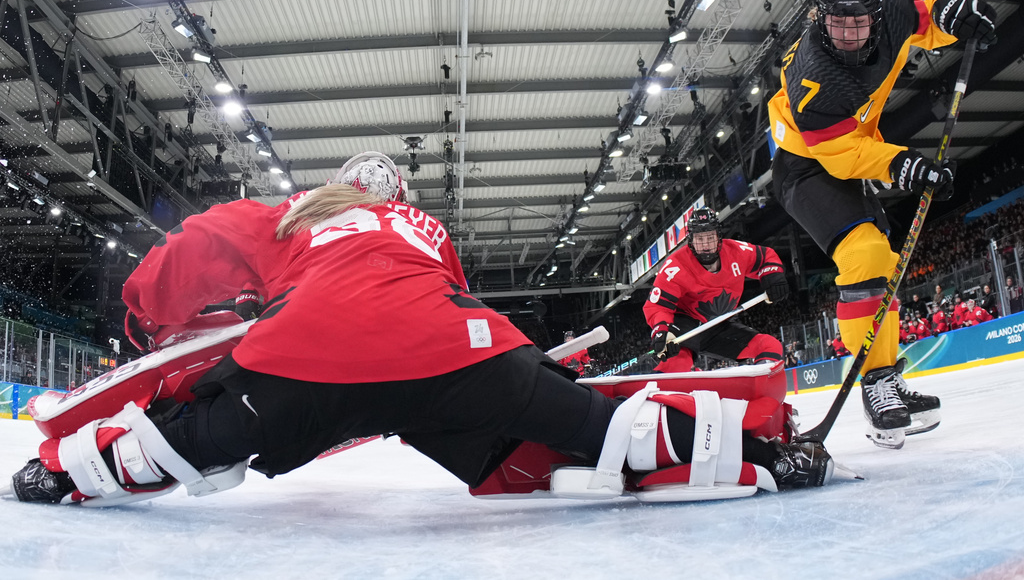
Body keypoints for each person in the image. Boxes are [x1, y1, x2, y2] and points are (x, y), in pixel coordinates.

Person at [8, 152, 833, 506]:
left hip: (304, 361)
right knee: (594, 423)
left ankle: (60, 476)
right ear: (400, 194)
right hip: (454, 358)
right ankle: (766, 453)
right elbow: (458, 308)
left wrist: (147, 314)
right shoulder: (424, 229)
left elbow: (198, 245)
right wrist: (536, 380)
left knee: (189, 437)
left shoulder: (297, 214)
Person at [768, 0, 995, 448]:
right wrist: (901, 164)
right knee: (864, 253)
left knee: (884, 261)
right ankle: (875, 387)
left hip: (854, 141)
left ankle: (886, 376)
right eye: (837, 20)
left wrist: (949, 15)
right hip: (806, 161)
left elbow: (924, 17)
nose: (849, 32)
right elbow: (844, 158)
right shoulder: (813, 76)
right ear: (818, 16)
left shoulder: (891, 7)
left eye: (858, 18)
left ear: (875, 7)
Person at [643, 207, 789, 373]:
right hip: (686, 326)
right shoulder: (675, 266)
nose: (705, 245)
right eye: (700, 238)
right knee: (677, 362)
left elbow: (766, 257)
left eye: (710, 237)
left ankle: (762, 387)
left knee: (770, 346)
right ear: (690, 239)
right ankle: (657, 392)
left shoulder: (736, 252)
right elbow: (658, 306)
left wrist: (773, 276)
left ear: (719, 237)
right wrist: (662, 330)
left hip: (719, 325)